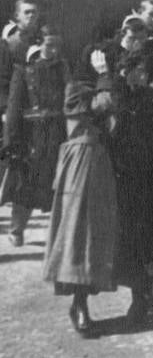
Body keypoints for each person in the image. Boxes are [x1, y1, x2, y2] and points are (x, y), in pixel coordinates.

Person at [88, 16, 153, 322]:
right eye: (133, 72)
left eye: (143, 72)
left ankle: (144, 295)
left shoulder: (149, 97)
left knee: (146, 237)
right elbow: (107, 118)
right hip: (120, 175)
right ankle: (138, 296)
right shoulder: (115, 95)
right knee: (125, 238)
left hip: (147, 175)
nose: (139, 77)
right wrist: (107, 78)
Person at [42, 71, 121, 337]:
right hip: (81, 164)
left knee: (95, 236)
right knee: (78, 234)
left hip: (99, 163)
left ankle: (82, 303)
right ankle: (79, 305)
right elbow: (105, 103)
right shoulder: (75, 89)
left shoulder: (90, 89)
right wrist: (104, 76)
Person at [3, 27, 69, 246]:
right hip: (33, 136)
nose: (53, 50)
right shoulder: (24, 71)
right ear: (39, 44)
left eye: (57, 46)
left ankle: (57, 235)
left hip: (57, 133)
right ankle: (17, 228)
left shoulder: (63, 70)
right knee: (27, 183)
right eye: (49, 45)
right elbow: (13, 110)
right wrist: (11, 142)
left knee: (56, 182)